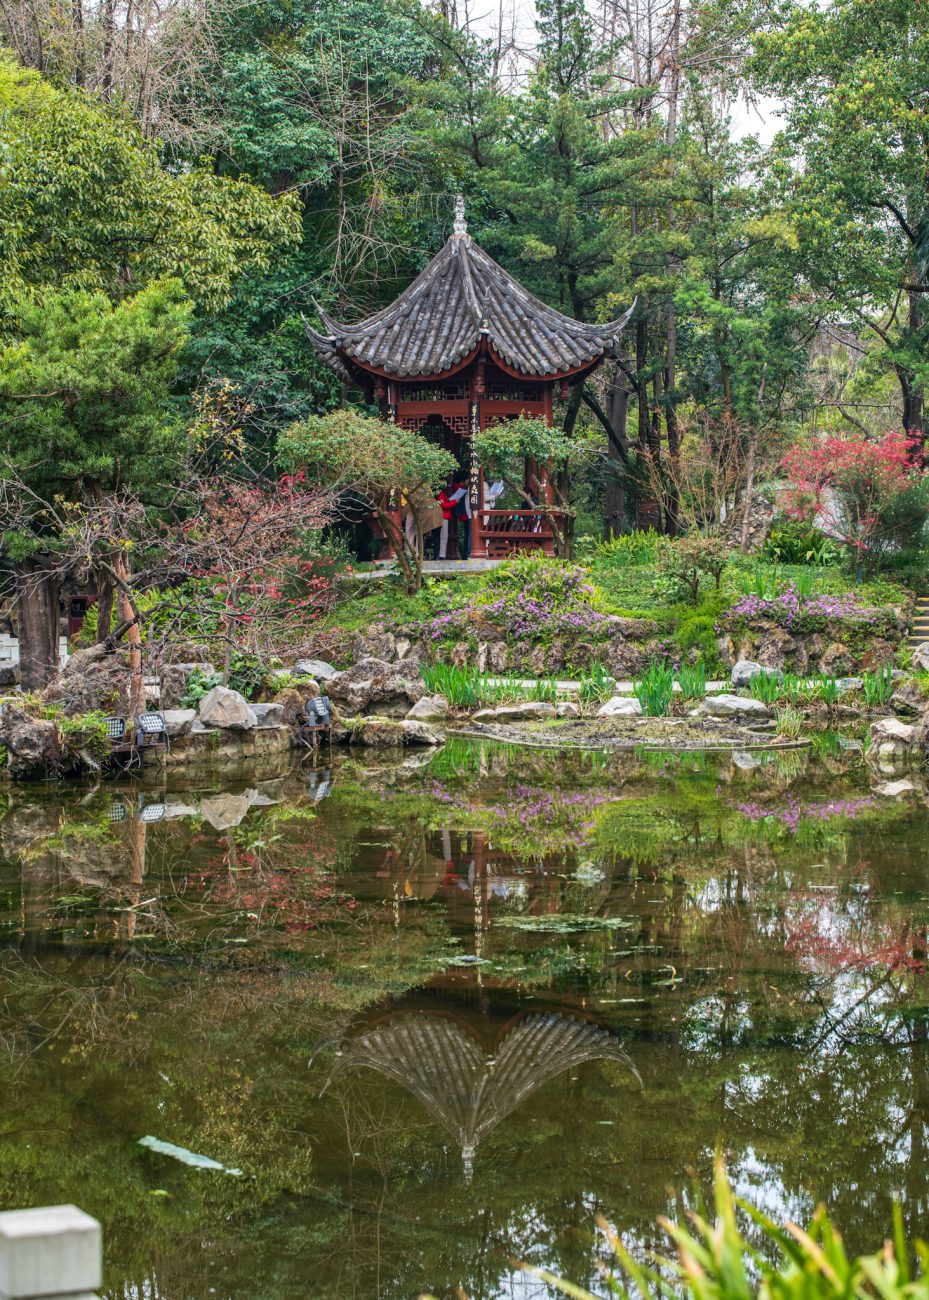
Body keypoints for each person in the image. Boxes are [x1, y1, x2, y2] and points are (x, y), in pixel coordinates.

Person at [449, 473, 471, 559]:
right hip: (462, 515)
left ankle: (465, 554)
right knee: (464, 535)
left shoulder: (463, 488)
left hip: (463, 515)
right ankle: (465, 554)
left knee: (466, 535)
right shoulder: (458, 487)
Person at [437, 482, 456, 559]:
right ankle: (441, 555)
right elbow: (444, 505)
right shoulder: (440, 494)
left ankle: (442, 554)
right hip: (443, 516)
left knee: (443, 536)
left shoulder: (442, 493)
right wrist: (454, 502)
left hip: (444, 516)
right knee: (443, 536)